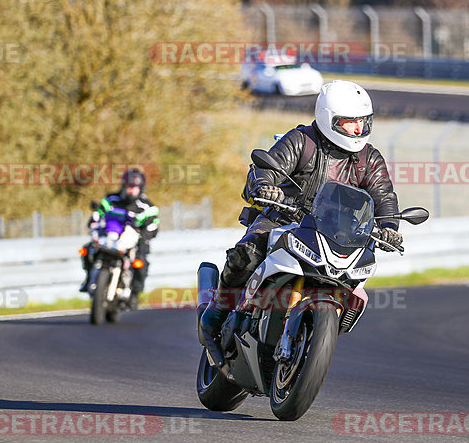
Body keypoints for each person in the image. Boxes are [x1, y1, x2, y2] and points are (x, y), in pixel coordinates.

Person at [199, 80, 403, 359]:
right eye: (350, 123)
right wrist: (264, 186)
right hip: (285, 217)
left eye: (363, 122)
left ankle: (315, 331)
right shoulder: (302, 141)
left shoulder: (369, 159)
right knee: (247, 253)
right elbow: (265, 168)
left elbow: (384, 197)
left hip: (335, 232)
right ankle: (217, 312)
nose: (359, 129)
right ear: (328, 119)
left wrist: (389, 227)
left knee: (355, 277)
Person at [79, 168, 159, 306]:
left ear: (141, 188)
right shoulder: (111, 200)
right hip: (110, 237)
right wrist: (93, 223)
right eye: (128, 187)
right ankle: (88, 278)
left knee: (140, 262)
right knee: (86, 250)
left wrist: (145, 235)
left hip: (134, 241)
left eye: (134, 188)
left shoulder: (147, 207)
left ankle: (134, 293)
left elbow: (153, 225)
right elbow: (98, 214)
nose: (131, 191)